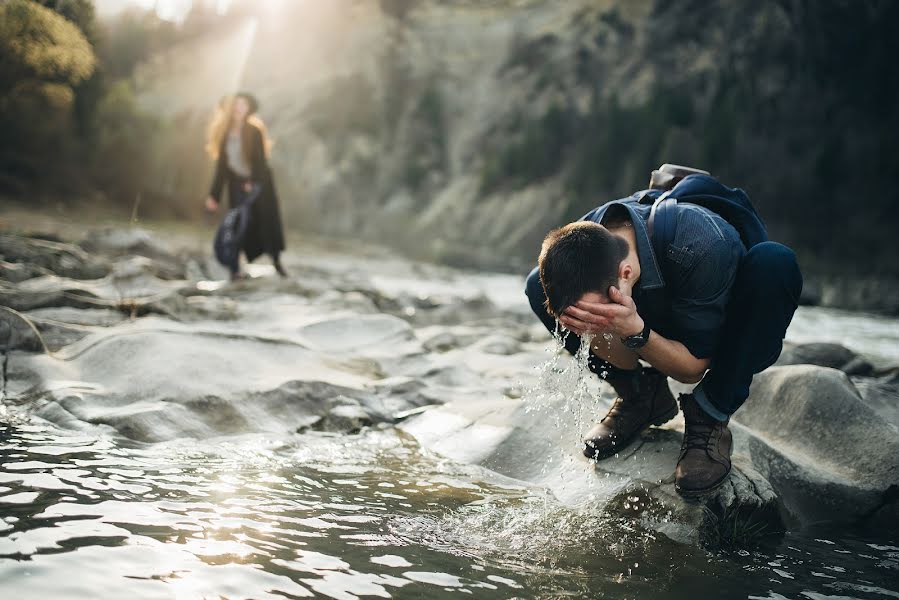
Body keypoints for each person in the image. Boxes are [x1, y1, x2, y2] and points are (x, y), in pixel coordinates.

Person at [525, 169, 802, 496]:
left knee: (775, 264)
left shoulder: (702, 245)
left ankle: (710, 415)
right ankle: (641, 396)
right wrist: (599, 324)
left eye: (598, 315)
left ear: (624, 274)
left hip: (719, 304)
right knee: (534, 286)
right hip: (654, 294)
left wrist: (635, 332)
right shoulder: (583, 238)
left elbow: (692, 368)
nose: (591, 327)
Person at [205, 92, 286, 280]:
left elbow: (261, 161)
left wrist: (253, 182)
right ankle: (234, 270)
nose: (238, 108)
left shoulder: (254, 131)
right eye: (235, 104)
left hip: (259, 184)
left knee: (267, 225)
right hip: (237, 184)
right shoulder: (223, 133)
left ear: (248, 108)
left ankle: (277, 263)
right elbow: (222, 169)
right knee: (236, 226)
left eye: (243, 104)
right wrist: (214, 196)